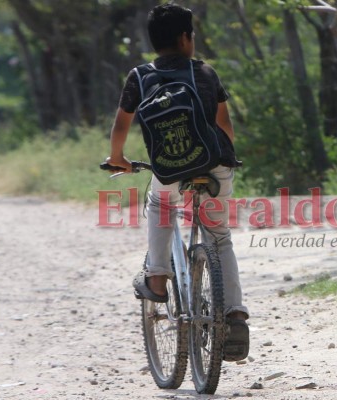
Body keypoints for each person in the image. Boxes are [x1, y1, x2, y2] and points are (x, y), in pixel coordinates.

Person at [106, 3, 249, 360]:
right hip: (214, 165)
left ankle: (156, 278)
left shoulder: (139, 76)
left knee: (160, 204)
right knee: (219, 237)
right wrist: (226, 157)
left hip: (169, 168)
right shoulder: (205, 72)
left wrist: (119, 159)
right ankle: (233, 314)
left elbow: (121, 125)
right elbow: (225, 127)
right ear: (186, 38)